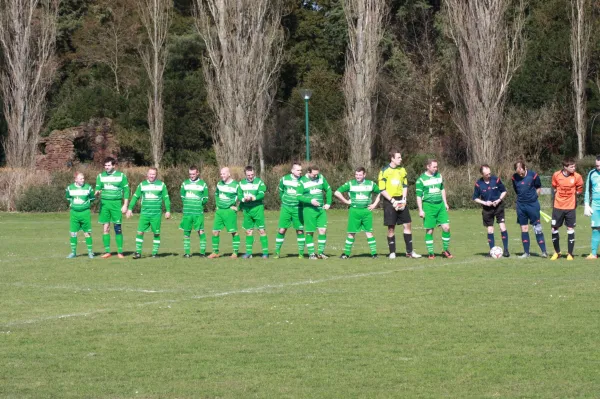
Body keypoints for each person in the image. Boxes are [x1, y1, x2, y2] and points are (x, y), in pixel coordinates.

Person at [377, 150, 421, 259]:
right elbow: (382, 189)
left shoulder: (402, 170)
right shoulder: (384, 171)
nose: (401, 159)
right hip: (389, 201)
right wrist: (393, 201)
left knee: (407, 224)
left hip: (401, 200)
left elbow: (405, 186)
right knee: (391, 228)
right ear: (392, 158)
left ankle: (410, 252)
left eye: (401, 157)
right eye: (399, 157)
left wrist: (404, 199)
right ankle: (392, 252)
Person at [334, 167, 381, 259]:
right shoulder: (350, 184)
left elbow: (381, 192)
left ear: (364, 175)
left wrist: (374, 204)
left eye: (360, 175)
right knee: (351, 233)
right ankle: (346, 254)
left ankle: (374, 254)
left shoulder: (371, 184)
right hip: (354, 211)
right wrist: (346, 202)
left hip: (366, 211)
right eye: (356, 175)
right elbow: (337, 192)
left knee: (369, 232)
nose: (358, 177)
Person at [126, 168, 171, 258]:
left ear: (156, 175)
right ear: (147, 174)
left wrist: (168, 210)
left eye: (153, 174)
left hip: (156, 214)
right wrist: (130, 208)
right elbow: (135, 197)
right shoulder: (142, 185)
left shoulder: (161, 185)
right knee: (140, 232)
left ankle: (154, 254)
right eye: (150, 174)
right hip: (145, 214)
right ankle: (138, 253)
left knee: (156, 233)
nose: (151, 176)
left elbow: (166, 198)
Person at [416, 158, 452, 259]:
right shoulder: (421, 180)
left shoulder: (439, 176)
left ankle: (445, 250)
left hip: (440, 205)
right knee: (430, 231)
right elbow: (418, 196)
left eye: (437, 166)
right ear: (428, 167)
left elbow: (442, 189)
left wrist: (445, 203)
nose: (436, 168)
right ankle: (431, 252)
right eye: (434, 167)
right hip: (428, 206)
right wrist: (420, 210)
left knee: (446, 227)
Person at [511, 159, 548, 258]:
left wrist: (534, 197)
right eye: (518, 173)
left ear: (525, 168)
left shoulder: (533, 175)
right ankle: (526, 253)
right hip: (521, 206)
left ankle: (544, 252)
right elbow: (516, 189)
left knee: (537, 228)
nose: (521, 175)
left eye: (522, 173)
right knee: (524, 228)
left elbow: (538, 187)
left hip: (533, 205)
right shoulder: (514, 178)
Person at [472, 164, 510, 257]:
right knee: (490, 230)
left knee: (502, 227)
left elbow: (504, 191)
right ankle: (492, 251)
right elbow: (475, 198)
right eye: (487, 174)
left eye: (490, 173)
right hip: (487, 209)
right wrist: (485, 203)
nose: (489, 175)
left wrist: (499, 200)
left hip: (498, 206)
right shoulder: (478, 184)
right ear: (482, 174)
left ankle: (506, 250)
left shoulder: (496, 180)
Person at [95, 157, 129, 258]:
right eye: (105, 165)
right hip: (104, 205)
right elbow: (97, 188)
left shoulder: (121, 176)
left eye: (109, 165)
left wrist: (125, 205)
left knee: (117, 228)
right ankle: (107, 251)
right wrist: (96, 192)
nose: (107, 167)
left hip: (116, 204)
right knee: (106, 228)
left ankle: (120, 252)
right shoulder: (100, 176)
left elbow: (126, 191)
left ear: (114, 165)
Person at [550, 158, 583, 260]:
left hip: (570, 207)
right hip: (558, 206)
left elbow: (579, 189)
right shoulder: (556, 175)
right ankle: (557, 252)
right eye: (571, 167)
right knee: (554, 229)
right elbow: (554, 187)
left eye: (574, 166)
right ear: (565, 167)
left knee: (570, 229)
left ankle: (570, 254)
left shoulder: (577, 176)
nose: (574, 168)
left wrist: (574, 195)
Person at [298, 166, 332, 259]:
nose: (316, 175)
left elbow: (328, 189)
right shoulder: (302, 181)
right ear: (308, 172)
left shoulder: (321, 177)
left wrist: (328, 203)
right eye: (314, 174)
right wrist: (310, 201)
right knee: (310, 232)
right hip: (309, 210)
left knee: (323, 230)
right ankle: (311, 254)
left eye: (317, 173)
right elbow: (299, 196)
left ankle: (321, 253)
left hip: (321, 209)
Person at [274, 162, 305, 259]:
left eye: (300, 170)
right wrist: (283, 199)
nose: (300, 172)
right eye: (298, 170)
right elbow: (281, 190)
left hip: (298, 208)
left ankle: (301, 253)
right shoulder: (284, 179)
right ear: (292, 170)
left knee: (299, 230)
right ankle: (277, 253)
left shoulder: (303, 180)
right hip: (286, 208)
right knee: (282, 229)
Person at [207, 167, 240, 258]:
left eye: (224, 173)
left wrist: (238, 207)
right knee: (215, 231)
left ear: (229, 174)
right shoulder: (219, 184)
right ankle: (215, 252)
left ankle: (235, 252)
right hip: (219, 211)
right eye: (221, 174)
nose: (222, 175)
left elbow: (241, 197)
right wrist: (217, 205)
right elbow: (217, 194)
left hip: (229, 211)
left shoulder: (236, 185)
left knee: (233, 232)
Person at [238, 166, 269, 258]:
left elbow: (262, 194)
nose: (250, 176)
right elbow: (239, 195)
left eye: (252, 174)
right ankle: (249, 253)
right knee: (248, 231)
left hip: (257, 209)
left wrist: (253, 198)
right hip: (247, 210)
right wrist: (243, 199)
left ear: (254, 173)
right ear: (245, 174)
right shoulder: (241, 183)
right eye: (248, 175)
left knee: (261, 230)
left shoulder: (259, 182)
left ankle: (265, 253)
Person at [179, 166, 209, 258]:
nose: (192, 176)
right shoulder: (185, 183)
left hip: (198, 213)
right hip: (187, 213)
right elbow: (182, 196)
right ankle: (187, 253)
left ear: (197, 173)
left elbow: (205, 198)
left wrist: (199, 205)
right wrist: (187, 205)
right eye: (190, 174)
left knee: (201, 231)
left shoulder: (203, 184)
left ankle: (202, 253)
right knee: (186, 232)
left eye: (193, 174)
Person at [65, 172, 96, 259]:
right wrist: (74, 205)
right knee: (73, 233)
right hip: (74, 213)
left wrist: (85, 205)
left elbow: (92, 198)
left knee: (87, 233)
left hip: (85, 213)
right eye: (81, 178)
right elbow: (68, 198)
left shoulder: (88, 187)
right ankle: (73, 253)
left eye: (83, 178)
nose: (83, 180)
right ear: (76, 179)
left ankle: (90, 252)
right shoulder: (69, 188)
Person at [584, 155, 600, 259]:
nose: (598, 167)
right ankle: (593, 254)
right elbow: (587, 190)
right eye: (597, 165)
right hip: (595, 204)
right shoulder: (591, 173)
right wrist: (586, 204)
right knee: (595, 228)